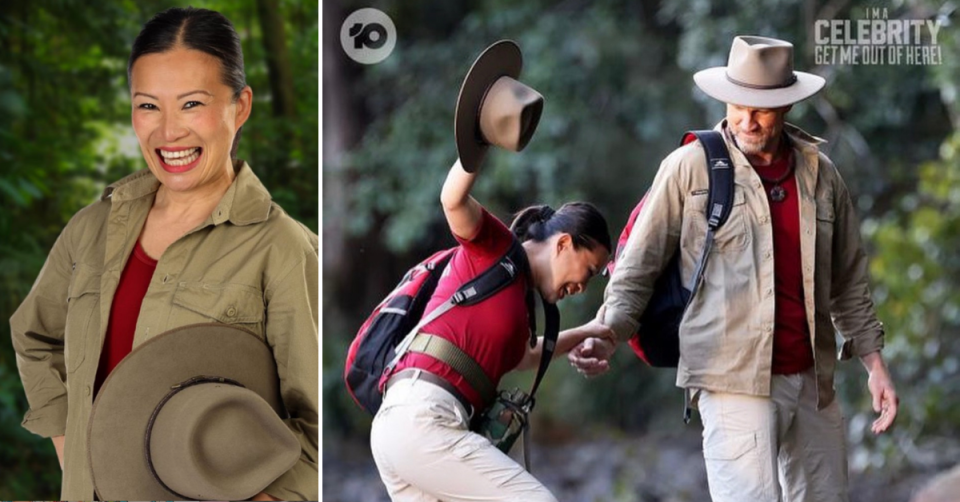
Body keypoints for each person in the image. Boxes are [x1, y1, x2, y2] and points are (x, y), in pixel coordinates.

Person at [568, 36, 898, 502]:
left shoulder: (821, 175)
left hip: (811, 383)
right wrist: (607, 333)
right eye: (738, 105)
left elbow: (847, 281)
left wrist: (874, 364)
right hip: (731, 379)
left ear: (785, 107)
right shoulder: (690, 168)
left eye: (761, 110)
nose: (746, 119)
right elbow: (636, 270)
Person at [9, 7, 317, 501]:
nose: (168, 131)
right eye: (148, 106)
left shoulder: (281, 248)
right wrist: (73, 446)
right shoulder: (91, 229)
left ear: (240, 107)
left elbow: (315, 423)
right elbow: (34, 336)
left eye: (191, 104)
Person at [369, 157, 613, 502]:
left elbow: (527, 357)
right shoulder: (495, 249)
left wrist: (588, 331)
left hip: (405, 429)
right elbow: (453, 201)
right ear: (563, 244)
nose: (582, 288)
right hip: (423, 419)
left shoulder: (518, 301)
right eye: (589, 271)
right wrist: (477, 139)